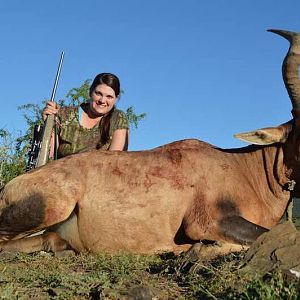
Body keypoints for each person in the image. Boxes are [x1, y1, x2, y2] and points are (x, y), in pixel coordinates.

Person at [42, 73, 129, 159]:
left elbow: (115, 161)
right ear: (90, 92)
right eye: (98, 93)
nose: (102, 100)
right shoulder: (64, 114)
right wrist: (48, 125)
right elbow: (50, 156)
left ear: (116, 99)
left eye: (109, 97)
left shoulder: (118, 118)